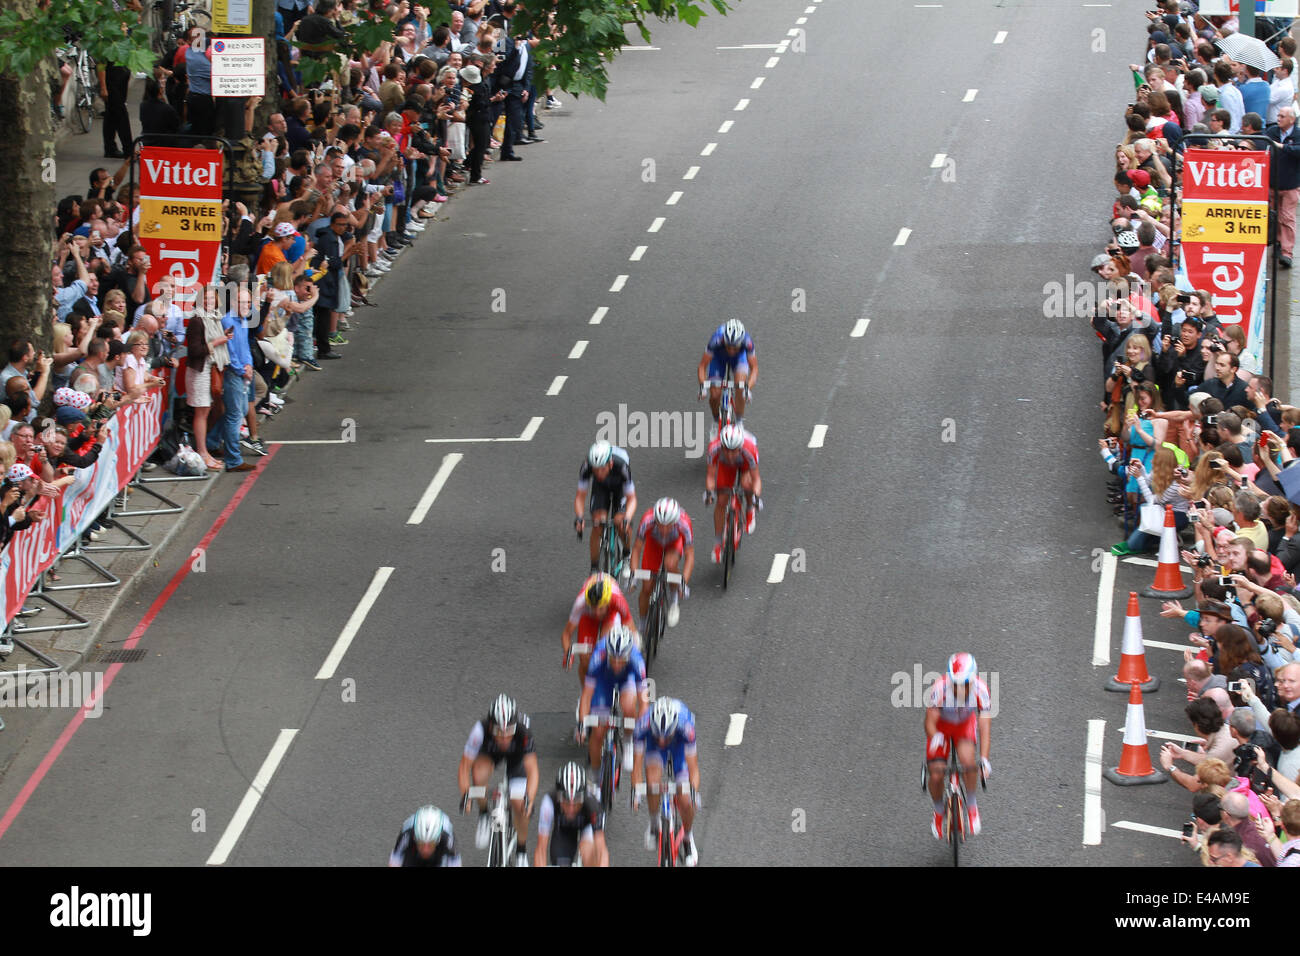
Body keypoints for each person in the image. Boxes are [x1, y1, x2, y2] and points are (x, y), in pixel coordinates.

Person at [457, 694, 539, 867]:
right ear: (490, 726)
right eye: (498, 731)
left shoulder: (523, 731)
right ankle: (485, 814)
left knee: (519, 805)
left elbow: (532, 771)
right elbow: (464, 767)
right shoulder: (480, 730)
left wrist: (529, 798)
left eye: (508, 731)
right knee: (478, 775)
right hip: (490, 753)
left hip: (517, 760)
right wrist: (466, 795)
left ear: (515, 726)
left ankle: (521, 850)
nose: (503, 737)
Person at [924, 652, 993, 838]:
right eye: (955, 685)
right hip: (941, 729)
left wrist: (984, 759)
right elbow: (930, 721)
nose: (960, 689)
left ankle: (971, 805)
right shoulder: (939, 688)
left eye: (965, 685)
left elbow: (985, 726)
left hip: (964, 727)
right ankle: (938, 811)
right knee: (937, 774)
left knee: (969, 762)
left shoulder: (982, 690)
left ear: (973, 680)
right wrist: (934, 736)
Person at [631, 696, 701, 866]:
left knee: (686, 800)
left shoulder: (686, 727)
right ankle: (655, 822)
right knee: (652, 782)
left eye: (665, 736)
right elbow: (637, 767)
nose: (662, 741)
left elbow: (694, 770)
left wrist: (692, 791)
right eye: (658, 736)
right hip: (653, 750)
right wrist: (635, 792)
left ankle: (687, 837)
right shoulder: (642, 725)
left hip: (679, 746)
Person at [577, 625, 647, 792]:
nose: (616, 663)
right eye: (613, 658)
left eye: (621, 659)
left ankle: (628, 741)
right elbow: (586, 696)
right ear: (607, 652)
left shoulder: (637, 661)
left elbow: (644, 702)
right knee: (598, 732)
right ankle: (594, 775)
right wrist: (582, 725)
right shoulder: (598, 656)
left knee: (629, 706)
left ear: (629, 654)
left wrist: (641, 729)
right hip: (603, 681)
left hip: (627, 679)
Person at [560, 572, 633, 703]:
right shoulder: (581, 603)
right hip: (587, 618)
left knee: (609, 646)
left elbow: (629, 626)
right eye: (593, 608)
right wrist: (568, 653)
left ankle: (611, 680)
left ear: (607, 603)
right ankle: (585, 696)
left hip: (610, 615)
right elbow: (566, 634)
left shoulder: (616, 600)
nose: (597, 613)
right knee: (584, 660)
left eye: (600, 609)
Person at [627, 497, 694, 630]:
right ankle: (643, 623)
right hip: (654, 543)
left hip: (674, 543)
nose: (663, 529)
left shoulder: (684, 523)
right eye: (660, 524)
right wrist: (633, 575)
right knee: (646, 587)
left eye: (668, 525)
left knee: (670, 563)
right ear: (655, 519)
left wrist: (683, 583)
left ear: (675, 521)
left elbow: (689, 557)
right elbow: (636, 549)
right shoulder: (647, 520)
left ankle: (674, 595)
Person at [574, 439, 636, 571]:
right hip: (601, 487)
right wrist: (579, 517)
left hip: (620, 487)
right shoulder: (586, 467)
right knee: (597, 523)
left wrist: (628, 517)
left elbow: (632, 498)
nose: (599, 473)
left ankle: (626, 555)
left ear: (610, 463)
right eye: (595, 470)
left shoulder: (622, 467)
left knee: (621, 522)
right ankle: (594, 568)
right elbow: (580, 497)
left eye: (602, 469)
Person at [704, 423, 763, 562]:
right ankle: (718, 543)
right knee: (721, 500)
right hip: (726, 467)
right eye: (726, 450)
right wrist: (709, 492)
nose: (730, 454)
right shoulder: (714, 448)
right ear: (721, 445)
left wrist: (755, 497)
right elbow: (710, 476)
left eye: (734, 450)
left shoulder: (749, 449)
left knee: (746, 483)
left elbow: (757, 479)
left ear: (740, 447)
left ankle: (749, 509)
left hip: (744, 464)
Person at [534, 763, 609, 867]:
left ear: (583, 797)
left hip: (586, 826)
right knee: (561, 863)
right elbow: (541, 849)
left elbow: (602, 850)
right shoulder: (549, 802)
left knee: (588, 854)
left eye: (576, 803)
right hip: (563, 829)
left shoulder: (593, 805)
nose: (571, 809)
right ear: (559, 797)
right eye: (566, 802)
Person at [697, 319, 756, 424]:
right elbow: (702, 366)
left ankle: (739, 422)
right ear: (724, 340)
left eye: (735, 347)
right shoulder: (716, 340)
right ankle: (716, 420)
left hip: (739, 359)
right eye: (728, 346)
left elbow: (754, 369)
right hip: (719, 358)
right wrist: (702, 387)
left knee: (740, 390)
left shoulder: (747, 342)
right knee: (715, 395)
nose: (731, 351)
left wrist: (748, 389)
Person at [1265, 105, 1300, 269]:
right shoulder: (1272, 132)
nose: (1278, 118)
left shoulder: (1297, 134)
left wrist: (1282, 147)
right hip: (1272, 184)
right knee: (1273, 217)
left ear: (1292, 119)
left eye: (1282, 116)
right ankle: (1277, 244)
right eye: (1278, 116)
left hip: (1291, 185)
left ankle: (1287, 253)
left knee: (1287, 219)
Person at [388, 805, 460, 866]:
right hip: (413, 851)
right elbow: (396, 857)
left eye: (430, 844)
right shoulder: (407, 833)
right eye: (421, 843)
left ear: (438, 839)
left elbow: (454, 861)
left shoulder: (447, 838)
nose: (425, 850)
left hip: (438, 852)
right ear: (415, 837)